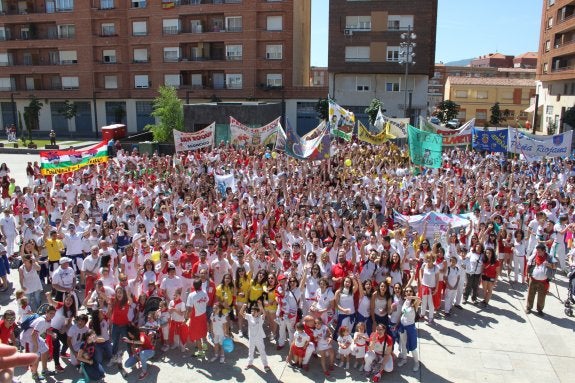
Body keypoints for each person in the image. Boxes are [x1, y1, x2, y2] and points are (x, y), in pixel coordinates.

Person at [526, 244, 558, 316]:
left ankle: (540, 309)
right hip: (533, 279)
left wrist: (549, 265)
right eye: (537, 251)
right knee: (530, 294)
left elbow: (556, 266)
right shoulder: (534, 256)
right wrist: (526, 276)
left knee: (542, 296)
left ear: (544, 251)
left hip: (543, 281)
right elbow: (528, 265)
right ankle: (528, 307)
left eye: (539, 251)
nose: (538, 252)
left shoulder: (549, 257)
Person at [240, 300, 269, 371]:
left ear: (258, 312)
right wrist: (243, 307)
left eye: (254, 311)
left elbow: (264, 314)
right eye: (252, 311)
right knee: (251, 350)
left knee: (262, 351)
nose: (252, 312)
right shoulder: (249, 316)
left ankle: (265, 365)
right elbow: (241, 313)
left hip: (259, 338)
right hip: (251, 338)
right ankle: (250, 363)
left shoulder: (260, 318)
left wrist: (261, 307)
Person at [396, 286, 421, 372]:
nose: (408, 292)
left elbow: (419, 298)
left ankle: (416, 363)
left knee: (413, 347)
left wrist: (411, 297)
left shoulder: (415, 303)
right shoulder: (405, 301)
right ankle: (404, 359)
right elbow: (403, 313)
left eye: (410, 291)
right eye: (407, 291)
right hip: (403, 326)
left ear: (413, 292)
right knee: (403, 344)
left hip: (410, 328)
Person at [187, 279, 208, 357]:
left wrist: (186, 317)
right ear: (201, 285)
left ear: (193, 286)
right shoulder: (204, 293)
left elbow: (189, 308)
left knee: (197, 335)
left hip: (196, 317)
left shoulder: (191, 295)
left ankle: (200, 352)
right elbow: (206, 301)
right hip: (203, 315)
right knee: (203, 331)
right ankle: (205, 346)